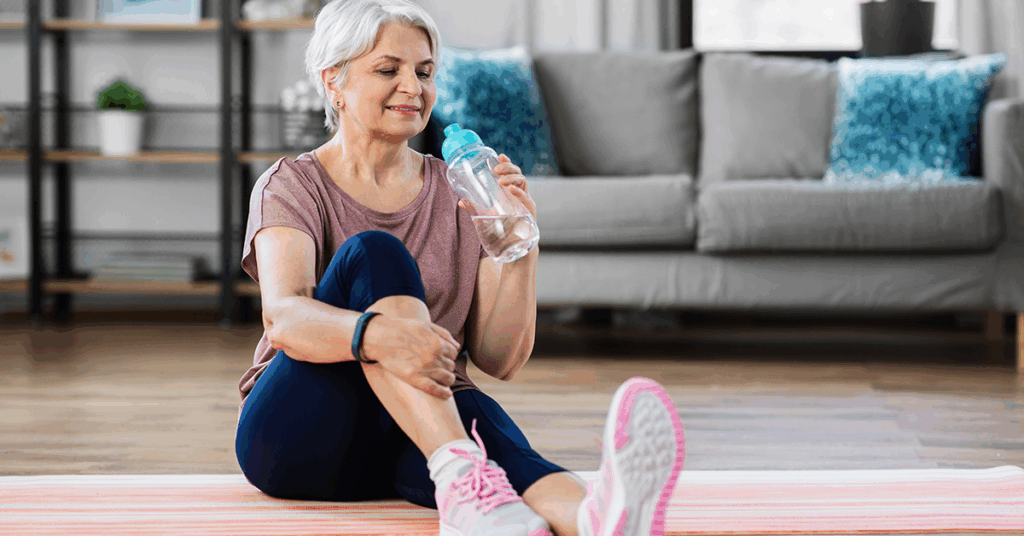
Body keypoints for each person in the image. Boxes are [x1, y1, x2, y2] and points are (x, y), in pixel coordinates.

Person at [233, 1, 686, 535]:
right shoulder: (292, 184)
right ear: (335, 81)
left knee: (485, 425)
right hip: (300, 436)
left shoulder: (463, 191)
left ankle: (593, 516)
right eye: (388, 69)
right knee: (374, 253)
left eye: (424, 72)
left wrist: (518, 245)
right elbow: (283, 319)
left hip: (411, 435)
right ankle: (459, 470)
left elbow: (501, 359)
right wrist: (376, 336)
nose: (414, 86)